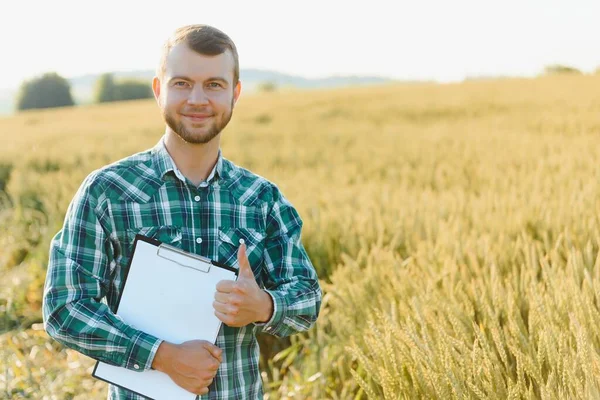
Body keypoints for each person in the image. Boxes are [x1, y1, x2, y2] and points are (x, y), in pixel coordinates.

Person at [42, 24, 322, 400]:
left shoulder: (262, 199)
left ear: (235, 94)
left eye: (214, 85)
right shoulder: (107, 193)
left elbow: (307, 297)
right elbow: (64, 307)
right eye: (182, 83)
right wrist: (162, 356)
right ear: (159, 90)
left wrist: (263, 305)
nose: (197, 98)